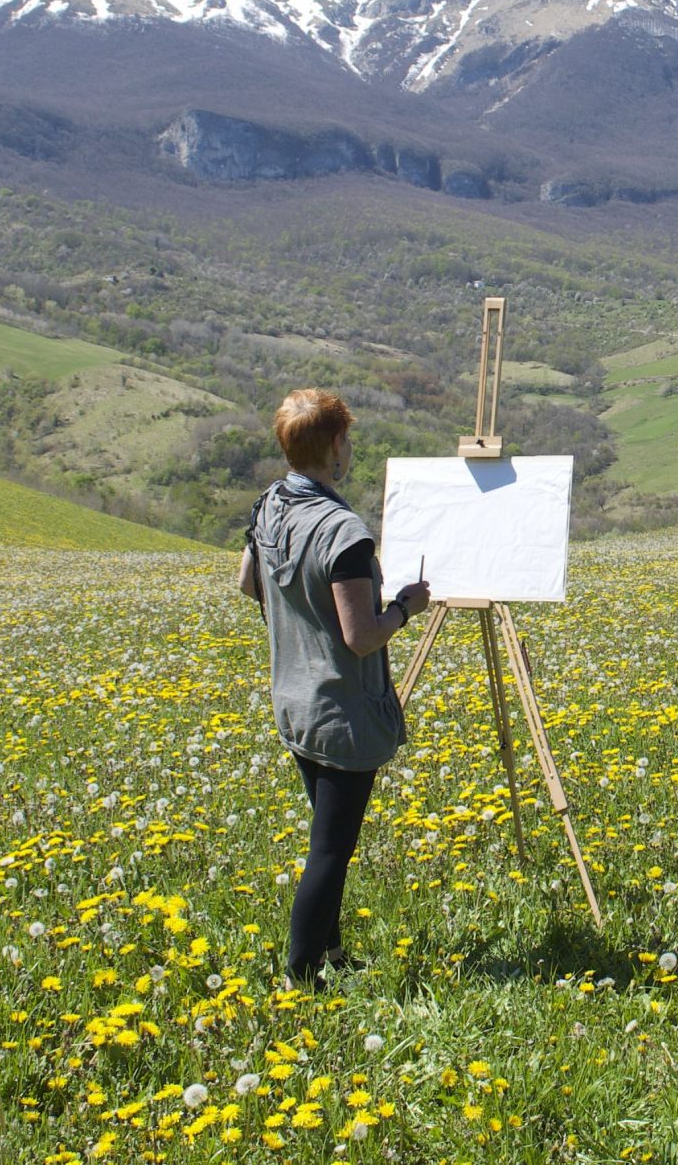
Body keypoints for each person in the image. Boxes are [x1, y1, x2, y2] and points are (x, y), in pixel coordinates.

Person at [238, 388, 432, 982]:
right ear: (336, 447)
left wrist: (299, 620)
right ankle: (300, 975)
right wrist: (404, 606)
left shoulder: (269, 505)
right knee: (331, 851)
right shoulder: (343, 532)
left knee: (327, 839)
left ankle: (332, 954)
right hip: (341, 713)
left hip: (294, 700)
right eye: (346, 439)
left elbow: (249, 584)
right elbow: (361, 636)